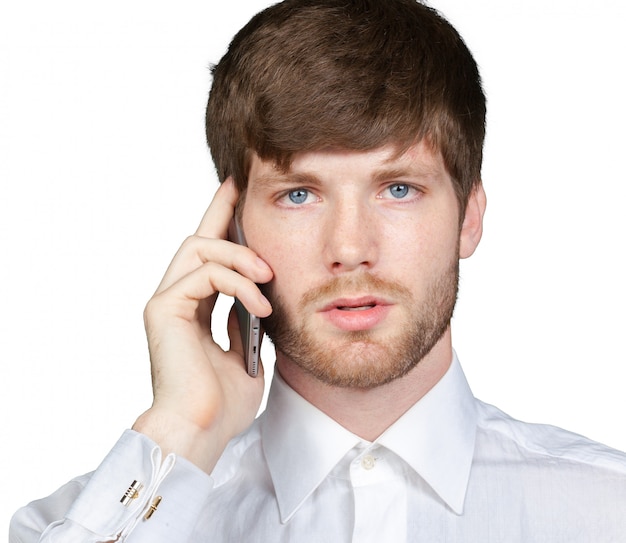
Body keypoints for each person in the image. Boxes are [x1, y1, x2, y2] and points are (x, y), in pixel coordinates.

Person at [10, 0, 626, 541]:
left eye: (399, 189)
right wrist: (181, 431)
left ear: (468, 218)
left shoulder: (610, 511)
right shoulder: (77, 523)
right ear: (232, 231)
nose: (351, 247)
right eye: (299, 194)